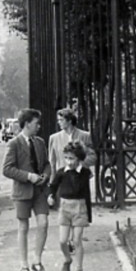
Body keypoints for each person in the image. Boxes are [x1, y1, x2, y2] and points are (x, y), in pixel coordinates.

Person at [2, 108, 51, 271]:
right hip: (22, 192)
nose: (39, 126)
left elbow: (46, 164)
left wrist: (45, 175)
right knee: (23, 227)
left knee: (43, 223)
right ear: (27, 123)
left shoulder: (40, 142)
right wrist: (28, 176)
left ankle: (37, 261)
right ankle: (23, 266)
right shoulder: (14, 144)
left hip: (39, 191)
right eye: (36, 123)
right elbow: (7, 169)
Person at [47, 107, 96, 251]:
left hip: (80, 178)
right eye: (58, 120)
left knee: (80, 208)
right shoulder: (54, 138)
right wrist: (52, 183)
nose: (59, 123)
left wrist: (80, 163)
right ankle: (68, 241)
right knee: (65, 207)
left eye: (61, 120)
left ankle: (75, 239)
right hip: (63, 179)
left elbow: (93, 156)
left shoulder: (84, 136)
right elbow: (52, 162)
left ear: (69, 120)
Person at [47, 141, 92, 271]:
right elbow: (53, 186)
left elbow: (87, 193)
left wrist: (88, 215)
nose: (69, 161)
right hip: (65, 207)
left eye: (72, 158)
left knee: (77, 240)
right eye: (66, 158)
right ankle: (67, 259)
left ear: (79, 159)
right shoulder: (62, 172)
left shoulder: (85, 173)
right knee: (62, 241)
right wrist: (51, 196)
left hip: (80, 207)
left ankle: (79, 270)